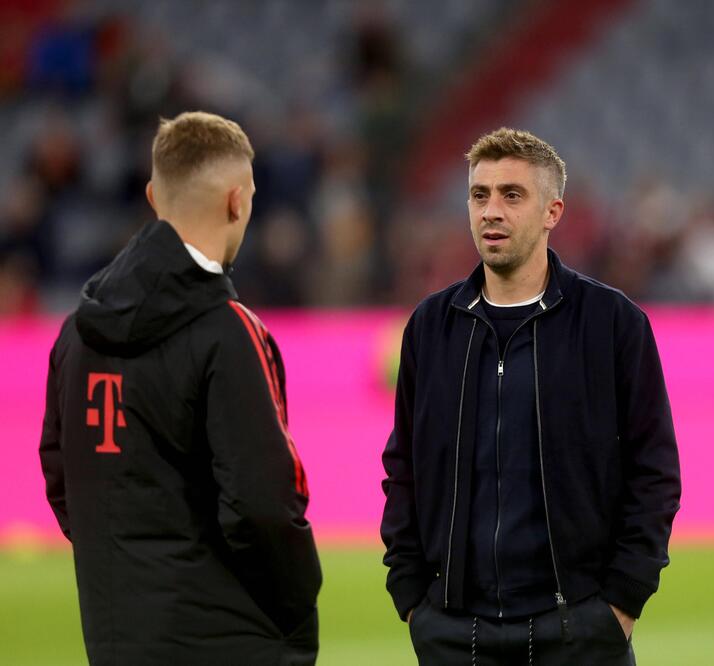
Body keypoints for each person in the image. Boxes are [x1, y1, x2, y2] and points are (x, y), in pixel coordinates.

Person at [380, 127, 681, 665]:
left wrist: (622, 601)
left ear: (552, 212)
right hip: (455, 635)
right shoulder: (430, 327)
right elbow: (403, 465)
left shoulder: (613, 324)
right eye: (480, 195)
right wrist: (411, 598)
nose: (491, 211)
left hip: (580, 632)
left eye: (511, 195)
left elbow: (654, 470)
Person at [39, 111, 322, 665]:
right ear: (237, 201)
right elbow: (264, 502)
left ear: (152, 194)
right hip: (228, 640)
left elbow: (61, 473)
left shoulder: (76, 332)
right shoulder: (229, 331)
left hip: (115, 635)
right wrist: (295, 603)